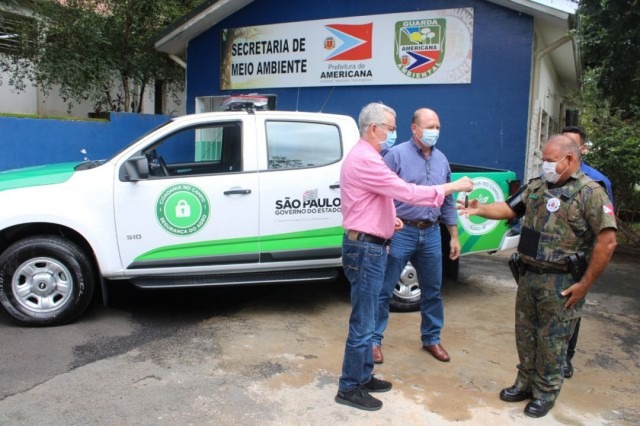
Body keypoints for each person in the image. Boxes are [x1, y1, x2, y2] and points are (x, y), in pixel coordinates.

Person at [457, 134, 617, 418]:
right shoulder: (537, 187)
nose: (545, 165)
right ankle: (525, 382)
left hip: (562, 281)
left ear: (570, 159)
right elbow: (509, 208)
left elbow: (607, 242)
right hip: (529, 275)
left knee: (553, 340)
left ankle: (545, 392)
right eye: (543, 160)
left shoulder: (591, 192)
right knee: (526, 334)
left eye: (550, 160)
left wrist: (585, 284)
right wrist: (480, 209)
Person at [336, 102, 474, 411]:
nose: (392, 133)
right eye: (390, 128)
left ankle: (363, 376)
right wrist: (452, 186)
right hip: (366, 249)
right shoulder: (367, 159)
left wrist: (390, 219)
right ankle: (349, 387)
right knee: (363, 322)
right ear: (374, 129)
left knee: (369, 315)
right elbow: (407, 192)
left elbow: (377, 198)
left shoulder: (369, 156)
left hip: (372, 244)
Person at [372, 107, 458, 364]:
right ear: (414, 128)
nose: (435, 132)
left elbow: (448, 200)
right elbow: (381, 194)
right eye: (430, 127)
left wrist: (453, 236)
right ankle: (373, 341)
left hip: (431, 232)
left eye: (437, 127)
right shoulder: (395, 155)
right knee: (384, 289)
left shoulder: (441, 159)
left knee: (433, 290)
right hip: (401, 231)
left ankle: (432, 338)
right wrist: (386, 226)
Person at [561, 125, 615, 379]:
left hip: (579, 257)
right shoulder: (550, 176)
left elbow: (606, 228)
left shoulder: (598, 182)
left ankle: (566, 357)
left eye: (572, 144)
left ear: (582, 149)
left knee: (572, 305)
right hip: (550, 257)